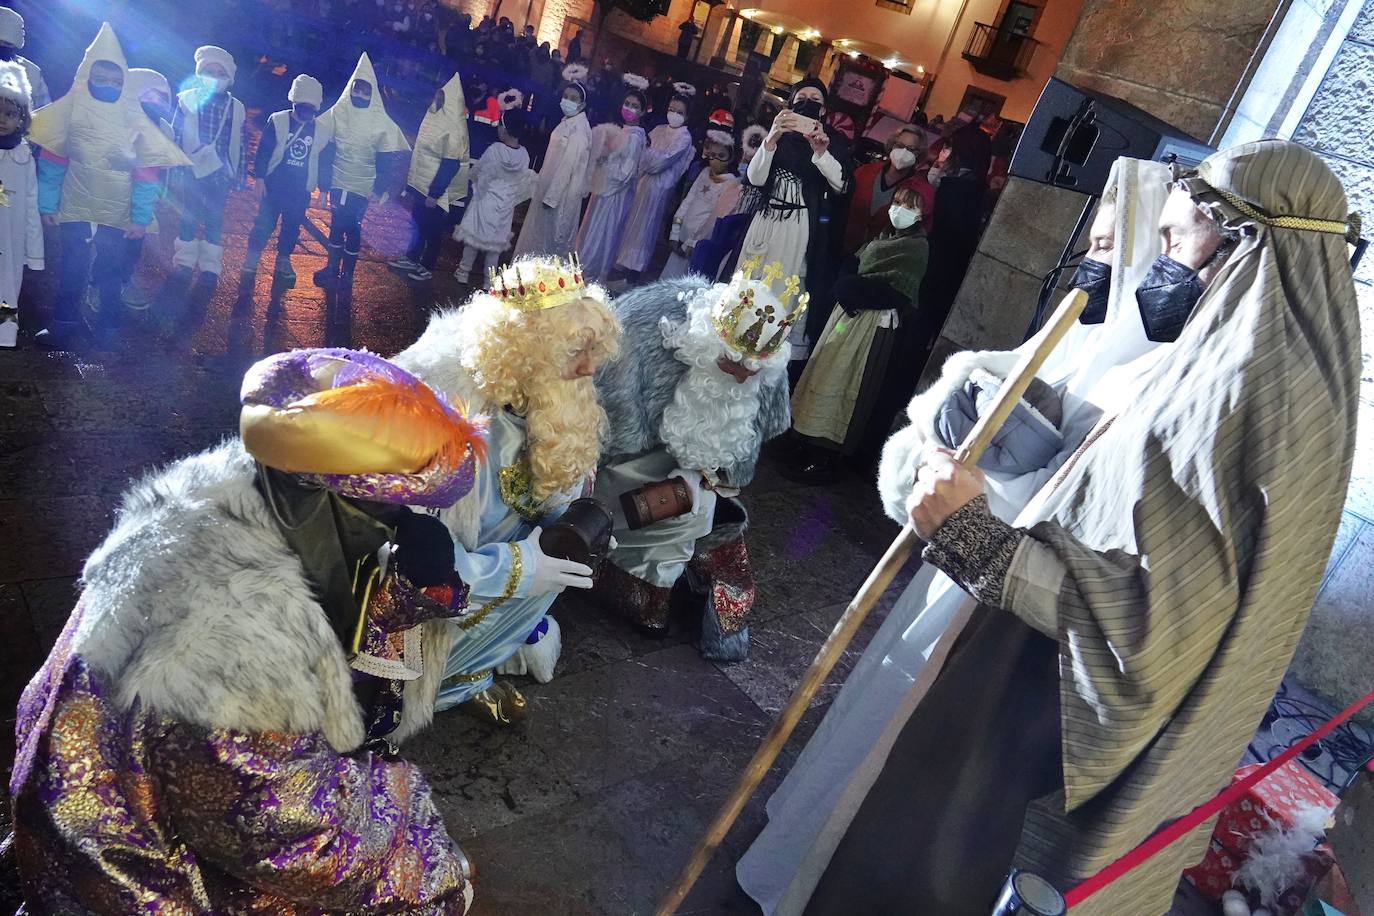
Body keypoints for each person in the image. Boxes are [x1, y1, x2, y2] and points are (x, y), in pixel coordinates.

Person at [779, 141, 1360, 915]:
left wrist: (978, 539)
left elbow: (1155, 631)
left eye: (1178, 242)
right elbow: (1124, 493)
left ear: (1244, 246)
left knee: (934, 862)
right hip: (1030, 659)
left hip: (1050, 701)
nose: (1165, 264)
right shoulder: (1230, 368)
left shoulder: (1253, 402)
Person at [737, 158, 1173, 914]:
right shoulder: (1074, 338)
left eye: (1113, 248)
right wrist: (941, 435)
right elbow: (953, 403)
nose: (1094, 261)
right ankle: (797, 849)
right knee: (872, 708)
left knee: (905, 748)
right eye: (1093, 242)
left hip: (997, 594)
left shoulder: (1153, 377)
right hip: (949, 558)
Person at [10, 346, 485, 911]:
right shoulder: (235, 645)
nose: (398, 531)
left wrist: (400, 603)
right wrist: (415, 828)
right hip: (136, 878)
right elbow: (299, 840)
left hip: (101, 811)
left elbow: (324, 637)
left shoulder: (219, 501)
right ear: (328, 504)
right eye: (387, 512)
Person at [391, 256, 621, 723]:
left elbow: (545, 501)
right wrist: (519, 569)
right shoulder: (444, 416)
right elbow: (412, 558)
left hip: (494, 557)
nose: (587, 368)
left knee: (557, 569)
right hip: (434, 580)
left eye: (593, 350)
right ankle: (439, 685)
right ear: (523, 353)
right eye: (573, 351)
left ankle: (471, 675)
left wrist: (576, 530)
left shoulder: (556, 403)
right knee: (530, 579)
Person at [590, 260, 797, 656]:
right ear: (706, 340)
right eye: (730, 363)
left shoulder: (763, 377)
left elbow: (752, 436)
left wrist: (711, 475)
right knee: (686, 510)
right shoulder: (645, 325)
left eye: (749, 373)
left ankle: (653, 594)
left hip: (695, 479)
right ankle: (628, 585)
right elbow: (606, 424)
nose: (738, 377)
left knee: (699, 509)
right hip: (628, 463)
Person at [30, 24, 189, 350]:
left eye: (116, 81)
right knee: (71, 269)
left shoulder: (133, 119)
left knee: (111, 273)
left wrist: (140, 218)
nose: (108, 85)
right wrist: (48, 203)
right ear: (86, 75)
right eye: (100, 78)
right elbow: (52, 160)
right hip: (74, 205)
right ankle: (63, 325)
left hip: (116, 211)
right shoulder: (71, 111)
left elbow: (147, 174)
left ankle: (108, 328)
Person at [785, 184, 931, 483]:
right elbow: (855, 263)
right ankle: (806, 438)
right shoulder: (881, 236)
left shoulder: (916, 247)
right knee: (824, 369)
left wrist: (853, 290)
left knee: (847, 380)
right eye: (898, 201)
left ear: (920, 214)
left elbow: (900, 292)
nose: (899, 209)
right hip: (847, 315)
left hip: (871, 322)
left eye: (909, 205)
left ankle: (827, 454)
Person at [739, 76, 851, 366]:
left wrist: (821, 152)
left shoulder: (833, 142)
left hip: (798, 225)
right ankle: (737, 345)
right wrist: (772, 137)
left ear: (824, 111)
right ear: (790, 103)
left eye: (816, 101)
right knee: (751, 281)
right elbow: (755, 178)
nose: (808, 104)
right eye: (802, 98)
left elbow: (841, 185)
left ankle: (765, 355)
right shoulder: (779, 136)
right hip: (766, 220)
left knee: (782, 287)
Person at [314, 52, 411, 294]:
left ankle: (347, 273)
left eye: (365, 91)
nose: (359, 94)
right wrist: (324, 185)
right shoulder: (339, 112)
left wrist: (381, 188)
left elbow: (386, 158)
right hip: (338, 180)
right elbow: (326, 149)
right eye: (356, 89)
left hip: (362, 186)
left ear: (372, 93)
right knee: (336, 225)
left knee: (353, 227)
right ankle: (332, 268)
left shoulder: (380, 121)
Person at [243, 73, 332, 288]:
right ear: (294, 102)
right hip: (274, 185)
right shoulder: (278, 120)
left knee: (292, 225)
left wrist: (324, 190)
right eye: (302, 107)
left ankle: (284, 258)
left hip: (300, 189)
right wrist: (260, 178)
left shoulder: (321, 130)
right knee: (264, 223)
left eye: (310, 109)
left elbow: (324, 161)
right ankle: (253, 256)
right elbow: (264, 151)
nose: (305, 113)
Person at [171, 45, 247, 288]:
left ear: (229, 79)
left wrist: (239, 174)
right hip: (191, 170)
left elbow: (239, 142)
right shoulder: (188, 98)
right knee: (189, 215)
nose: (214, 78)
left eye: (220, 73)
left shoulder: (236, 107)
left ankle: (210, 266)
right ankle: (184, 261)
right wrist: (172, 168)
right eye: (208, 71)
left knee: (215, 218)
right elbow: (174, 135)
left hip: (220, 174)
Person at [390, 71, 470, 282]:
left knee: (431, 229)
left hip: (434, 188)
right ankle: (412, 257)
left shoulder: (452, 127)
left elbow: (450, 163)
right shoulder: (435, 116)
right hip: (421, 183)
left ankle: (427, 265)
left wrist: (435, 193)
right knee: (417, 223)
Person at [612, 88, 694, 281]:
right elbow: (639, 153)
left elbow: (659, 163)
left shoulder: (684, 138)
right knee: (628, 223)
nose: (674, 114)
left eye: (679, 112)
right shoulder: (658, 130)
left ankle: (634, 270)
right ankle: (620, 264)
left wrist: (647, 155)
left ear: (687, 116)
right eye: (672, 109)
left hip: (658, 190)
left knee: (644, 229)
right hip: (640, 183)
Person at [512, 67, 590, 258]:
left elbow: (567, 167)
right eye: (566, 96)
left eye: (573, 98)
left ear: (582, 104)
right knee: (537, 237)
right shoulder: (566, 121)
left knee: (549, 243)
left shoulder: (579, 131)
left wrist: (551, 197)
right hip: (547, 187)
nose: (567, 101)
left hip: (559, 197)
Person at [575, 78, 648, 282]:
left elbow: (625, 173)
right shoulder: (623, 130)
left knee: (601, 235)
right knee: (592, 230)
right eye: (627, 104)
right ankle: (583, 269)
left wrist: (604, 162)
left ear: (642, 112)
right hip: (604, 189)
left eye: (635, 106)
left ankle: (590, 274)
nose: (629, 108)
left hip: (614, 196)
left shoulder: (634, 138)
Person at [453, 108, 533, 284]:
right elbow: (522, 179)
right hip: (505, 205)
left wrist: (473, 181)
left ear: (504, 128)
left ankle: (463, 272)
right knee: (494, 247)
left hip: (485, 200)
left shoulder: (495, 149)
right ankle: (489, 281)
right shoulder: (524, 155)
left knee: (473, 239)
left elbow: (479, 170)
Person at [660, 124, 739, 280]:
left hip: (697, 244)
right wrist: (675, 233)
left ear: (731, 158)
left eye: (721, 156)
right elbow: (686, 203)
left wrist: (691, 242)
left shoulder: (731, 185)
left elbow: (714, 218)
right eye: (712, 155)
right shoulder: (704, 173)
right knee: (668, 277)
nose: (715, 160)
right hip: (681, 236)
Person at [0, 60, 41, 349]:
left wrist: (34, 253)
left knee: (7, 285)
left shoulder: (23, 158)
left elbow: (30, 203)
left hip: (10, 239)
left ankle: (4, 334)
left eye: (10, 113)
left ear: (21, 117)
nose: (2, 119)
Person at [841, 125, 931, 256]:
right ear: (892, 145)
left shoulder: (920, 190)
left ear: (919, 155)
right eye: (899, 146)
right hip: (843, 247)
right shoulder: (865, 172)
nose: (904, 152)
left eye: (911, 149)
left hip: (878, 258)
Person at [0, 8, 49, 112]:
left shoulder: (32, 73)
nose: (2, 47)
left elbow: (44, 115)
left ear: (16, 45)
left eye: (7, 44)